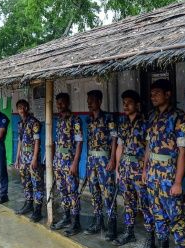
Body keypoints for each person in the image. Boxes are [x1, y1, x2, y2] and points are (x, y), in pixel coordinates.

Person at [141, 79, 185, 248]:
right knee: (157, 216)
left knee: (176, 219)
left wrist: (178, 181)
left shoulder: (179, 118)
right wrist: (144, 170)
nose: (153, 97)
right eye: (152, 94)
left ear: (168, 94)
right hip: (152, 176)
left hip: (169, 176)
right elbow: (149, 147)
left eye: (157, 93)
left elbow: (183, 150)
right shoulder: (152, 117)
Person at [113, 90, 155, 248]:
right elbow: (120, 146)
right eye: (124, 103)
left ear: (137, 104)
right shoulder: (123, 123)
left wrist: (145, 169)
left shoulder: (146, 122)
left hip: (139, 170)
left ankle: (150, 239)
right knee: (128, 203)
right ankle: (129, 232)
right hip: (125, 169)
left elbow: (149, 148)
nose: (125, 105)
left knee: (145, 205)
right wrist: (117, 169)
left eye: (129, 102)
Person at [83, 90, 118, 239]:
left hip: (105, 161)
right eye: (88, 100)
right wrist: (87, 162)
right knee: (94, 192)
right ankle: (98, 222)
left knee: (108, 193)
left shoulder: (109, 118)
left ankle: (112, 226)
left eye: (92, 100)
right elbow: (89, 142)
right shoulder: (89, 120)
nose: (89, 103)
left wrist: (112, 160)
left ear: (100, 101)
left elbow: (115, 139)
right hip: (92, 161)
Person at [50, 92, 83, 236]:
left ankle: (76, 223)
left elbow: (79, 142)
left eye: (62, 103)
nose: (59, 105)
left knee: (73, 192)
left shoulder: (75, 120)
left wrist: (75, 163)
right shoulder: (58, 120)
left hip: (69, 162)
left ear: (68, 103)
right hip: (58, 161)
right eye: (58, 103)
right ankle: (66, 217)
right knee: (63, 191)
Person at [15, 99, 43, 222]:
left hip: (32, 157)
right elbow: (20, 141)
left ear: (27, 108)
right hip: (24, 158)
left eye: (23, 107)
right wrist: (17, 158)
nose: (21, 110)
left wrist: (35, 158)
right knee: (26, 183)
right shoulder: (20, 124)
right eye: (19, 108)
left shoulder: (34, 123)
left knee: (36, 184)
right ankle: (28, 204)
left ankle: (38, 210)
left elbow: (37, 141)